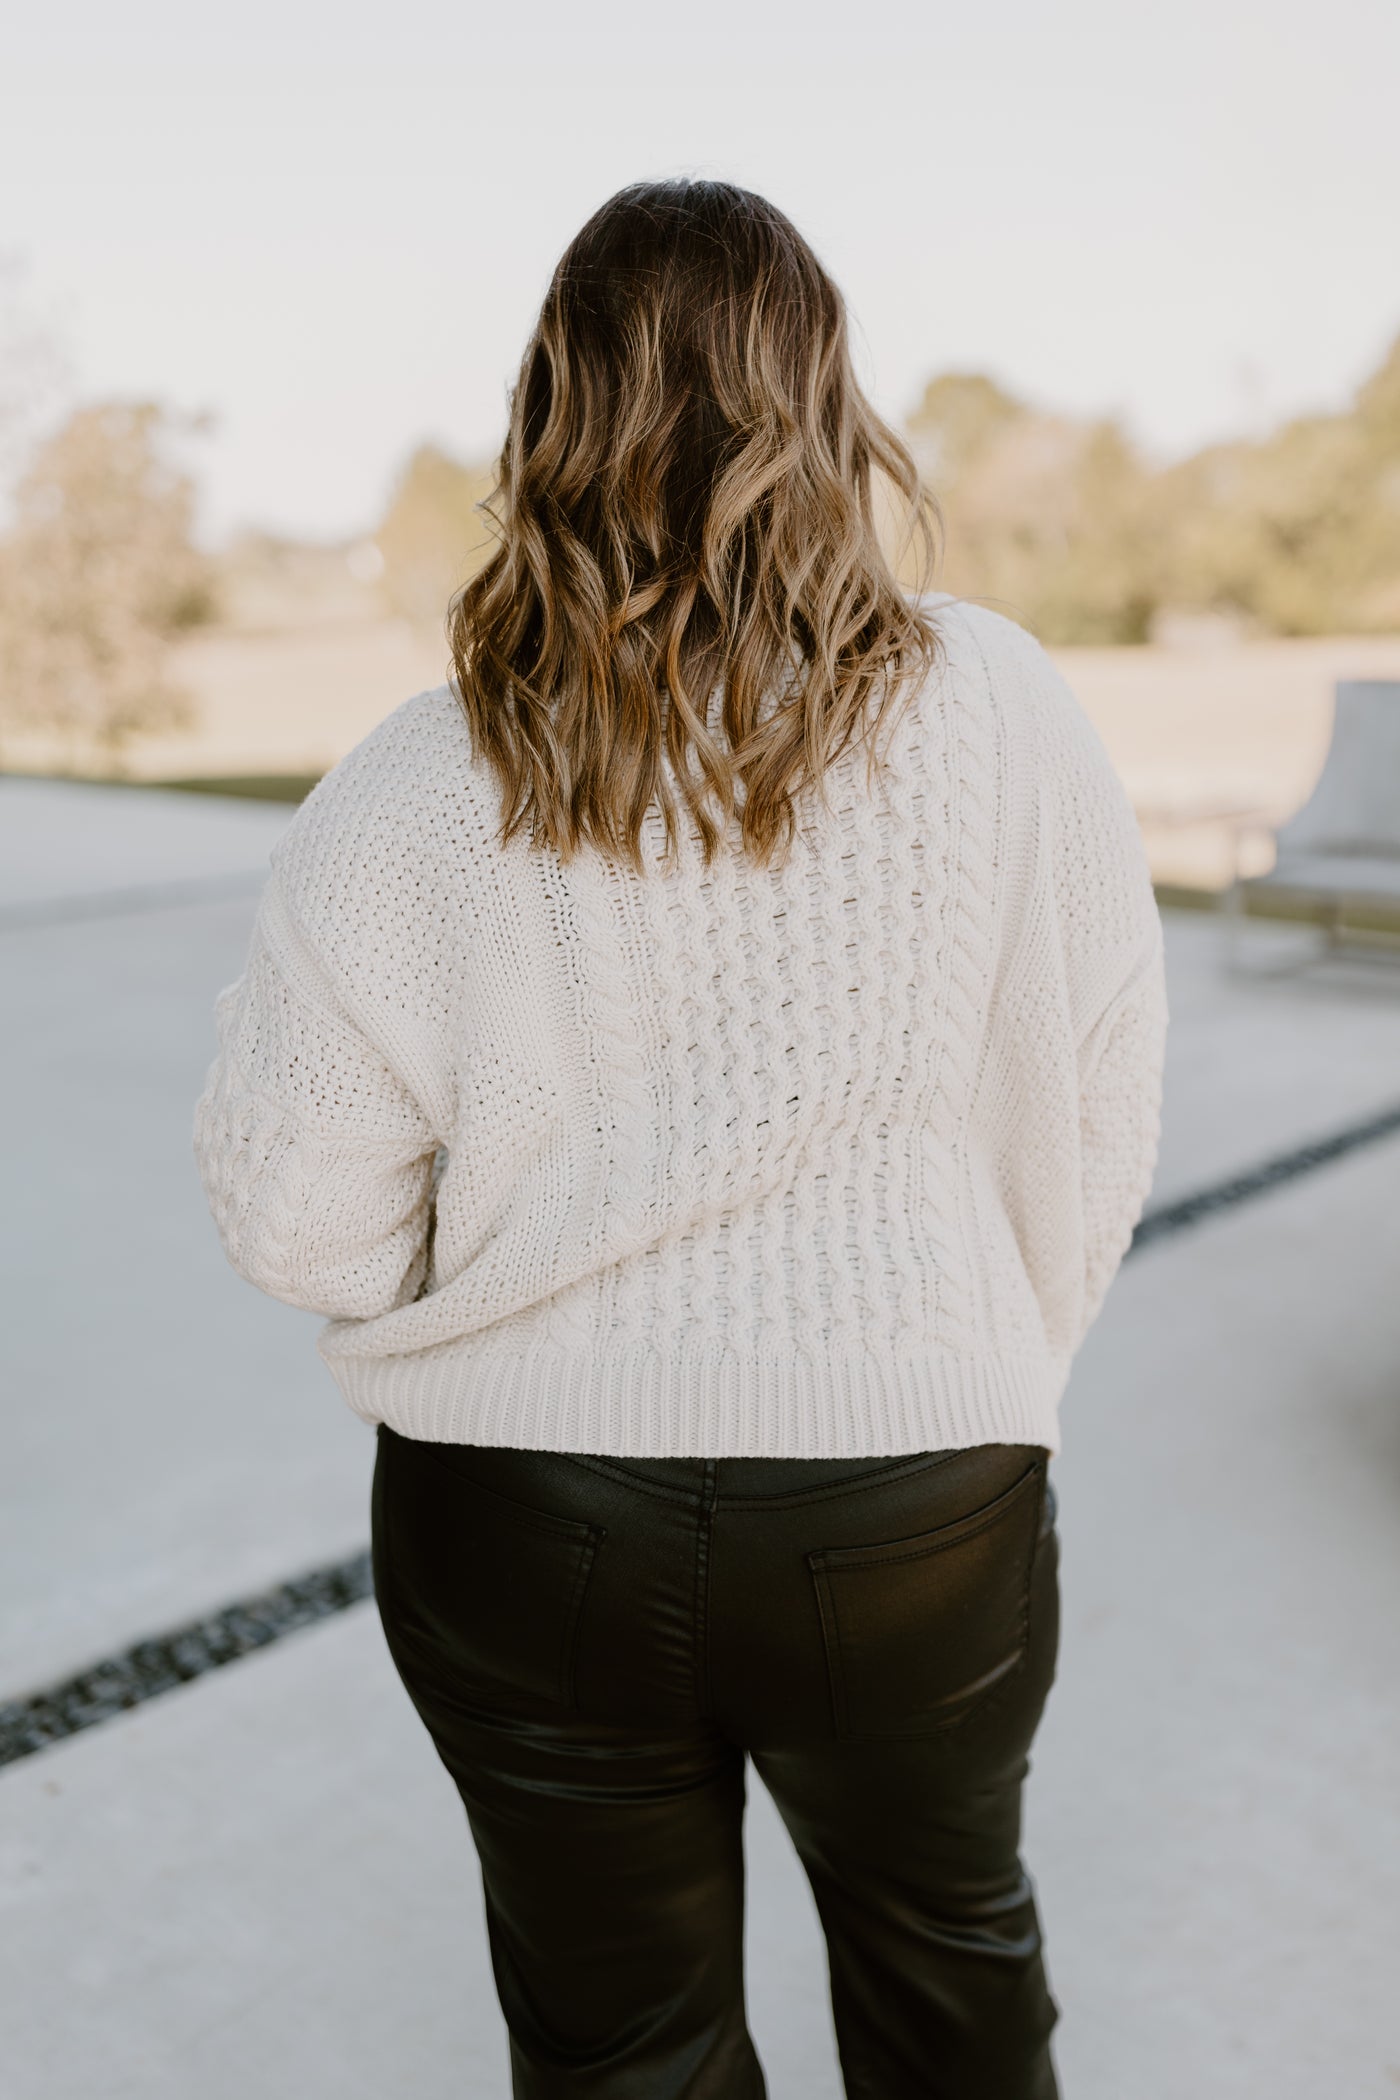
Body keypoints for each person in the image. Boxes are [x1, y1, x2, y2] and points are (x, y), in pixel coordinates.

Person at [193, 178, 1168, 2100]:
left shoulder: (409, 779)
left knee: (617, 2051)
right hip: (919, 1484)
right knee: (952, 1978)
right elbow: (1100, 1105)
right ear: (826, 402)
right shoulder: (1004, 711)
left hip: (521, 1517)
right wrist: (979, 1348)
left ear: (550, 415)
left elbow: (296, 1219)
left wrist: (533, 1284)